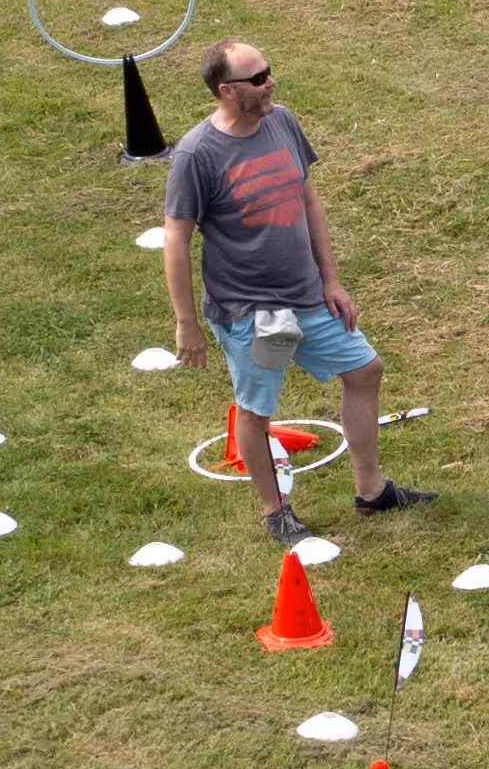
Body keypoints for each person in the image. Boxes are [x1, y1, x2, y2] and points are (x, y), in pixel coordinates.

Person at [159, 36, 428, 547]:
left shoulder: (281, 121)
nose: (270, 83)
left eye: (269, 71)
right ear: (227, 90)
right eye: (257, 78)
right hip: (250, 311)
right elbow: (177, 237)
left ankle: (371, 490)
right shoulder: (198, 153)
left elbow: (307, 200)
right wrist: (186, 321)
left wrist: (330, 278)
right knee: (257, 408)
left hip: (307, 296)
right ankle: (274, 509)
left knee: (365, 369)